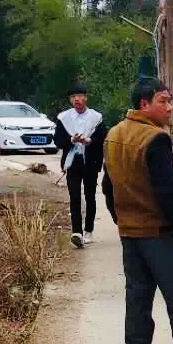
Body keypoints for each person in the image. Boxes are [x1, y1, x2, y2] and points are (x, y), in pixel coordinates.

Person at [102, 78, 173, 344]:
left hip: (130, 233)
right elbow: (168, 194)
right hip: (159, 234)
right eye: (163, 101)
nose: (169, 108)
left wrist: (121, 220)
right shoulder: (155, 139)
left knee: (137, 296)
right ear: (143, 104)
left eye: (170, 101)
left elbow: (108, 187)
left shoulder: (113, 135)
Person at [54, 83, 107, 249]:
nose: (77, 99)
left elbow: (104, 140)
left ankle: (89, 229)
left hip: (91, 161)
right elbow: (57, 141)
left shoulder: (96, 118)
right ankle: (76, 232)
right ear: (70, 100)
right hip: (72, 162)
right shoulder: (64, 118)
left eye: (80, 96)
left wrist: (89, 140)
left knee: (90, 196)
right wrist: (71, 140)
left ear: (86, 97)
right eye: (73, 97)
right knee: (74, 196)